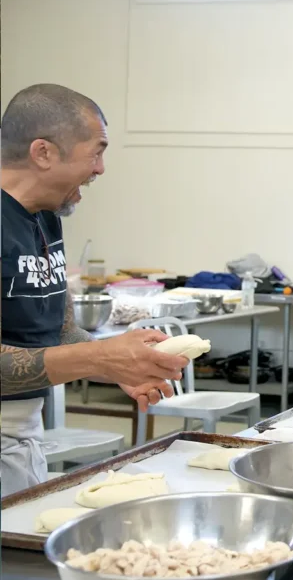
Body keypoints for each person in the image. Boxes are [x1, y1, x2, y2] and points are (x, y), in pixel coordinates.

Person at [1, 84, 187, 496]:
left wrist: (117, 366)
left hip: (24, 435)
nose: (100, 168)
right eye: (96, 151)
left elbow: (63, 330)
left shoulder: (45, 219)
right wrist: (100, 356)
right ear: (43, 152)